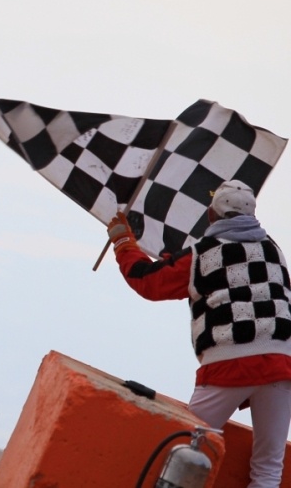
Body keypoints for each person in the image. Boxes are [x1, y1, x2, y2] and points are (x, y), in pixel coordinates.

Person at [108, 180, 291, 488]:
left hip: (228, 363)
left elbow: (149, 282)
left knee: (185, 445)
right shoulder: (273, 250)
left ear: (210, 215)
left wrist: (123, 242)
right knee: (268, 468)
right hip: (283, 363)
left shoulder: (203, 254)